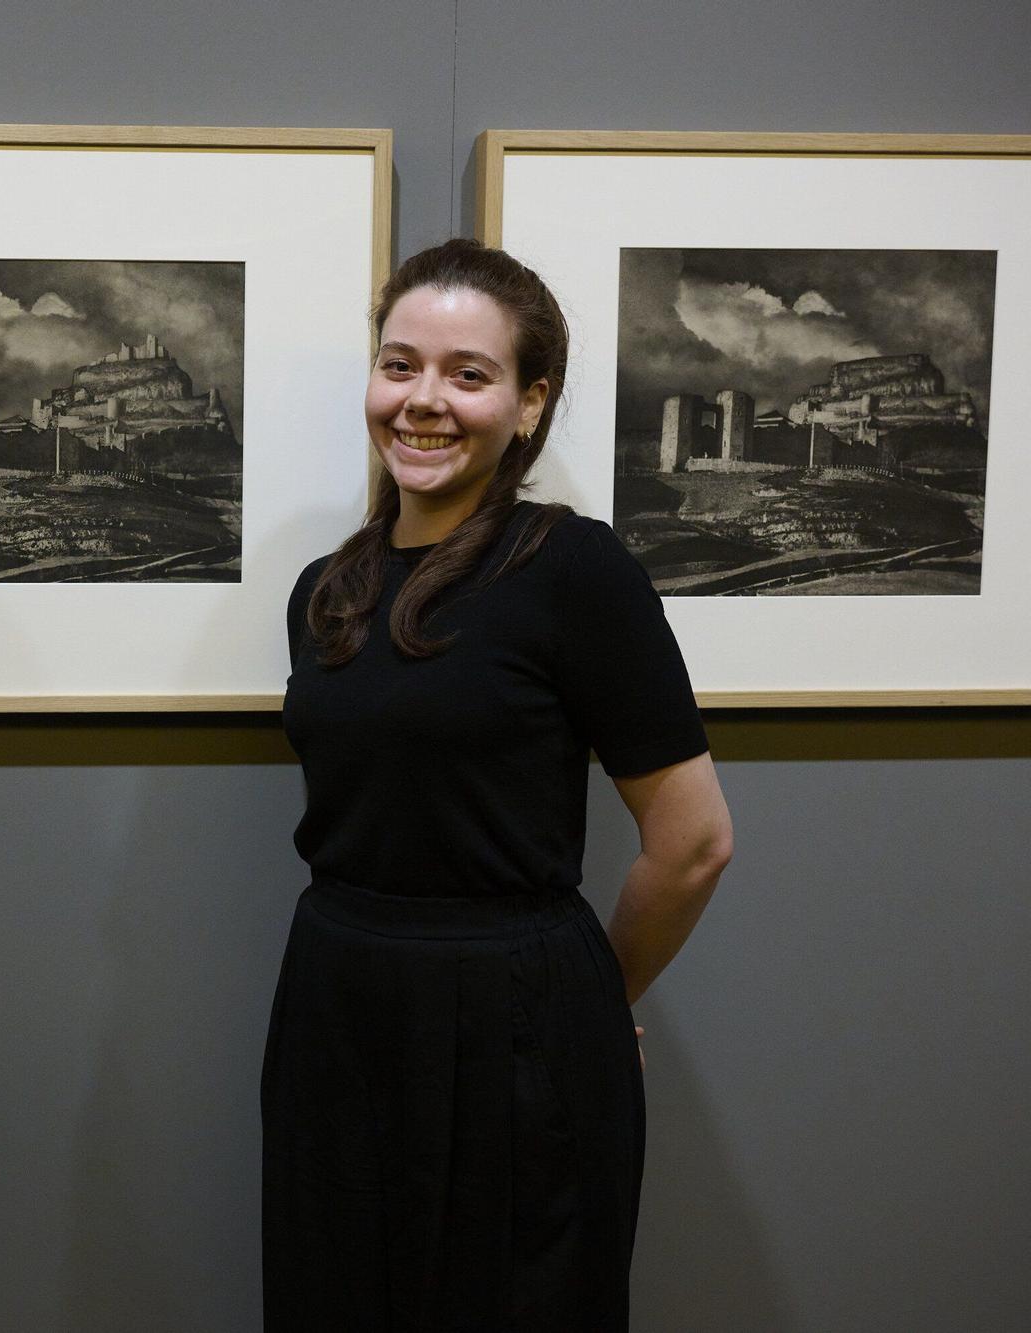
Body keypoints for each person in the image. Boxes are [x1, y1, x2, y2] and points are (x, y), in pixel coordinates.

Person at [264, 239, 732, 1330]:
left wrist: (587, 998)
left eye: (466, 375)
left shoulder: (574, 569)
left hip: (520, 1015)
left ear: (528, 405)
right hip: (334, 1002)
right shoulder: (321, 591)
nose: (422, 401)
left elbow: (693, 841)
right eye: (398, 365)